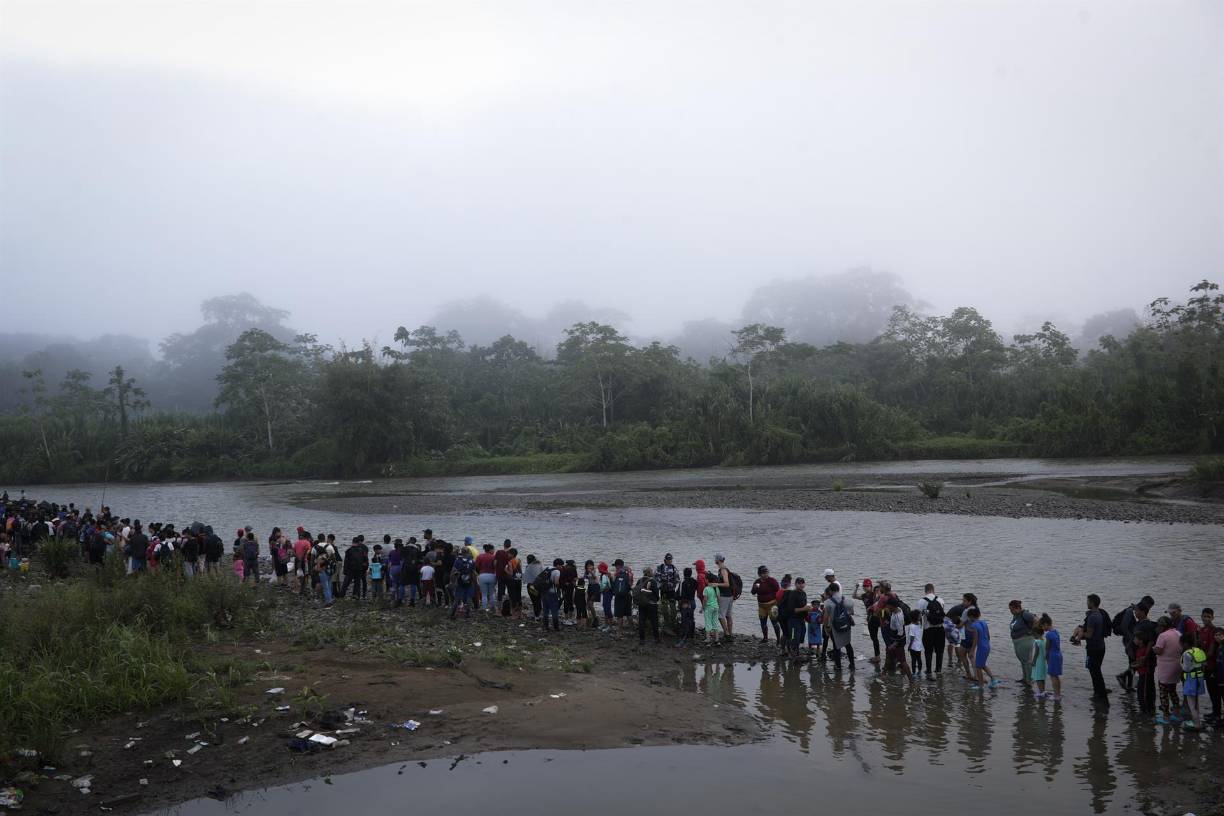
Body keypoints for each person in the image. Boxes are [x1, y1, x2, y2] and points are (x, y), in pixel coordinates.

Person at [1071, 594, 1110, 703]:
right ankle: (1098, 692)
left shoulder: (1093, 617)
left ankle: (1101, 695)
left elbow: (1089, 635)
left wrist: (1080, 635)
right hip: (1100, 646)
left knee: (1095, 671)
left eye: (1088, 601)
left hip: (1094, 648)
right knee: (1095, 670)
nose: (1086, 603)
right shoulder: (1100, 613)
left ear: (1092, 603)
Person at [1153, 616, 1182, 725]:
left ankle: (1166, 716)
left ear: (1162, 626)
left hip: (1165, 668)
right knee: (1173, 691)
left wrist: (1153, 648)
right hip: (1177, 666)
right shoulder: (1178, 633)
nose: (1158, 628)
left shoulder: (1162, 636)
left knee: (1163, 692)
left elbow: (1159, 651)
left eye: (1159, 626)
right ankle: (1177, 713)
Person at [918, 584, 947, 678]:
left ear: (925, 590)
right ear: (933, 590)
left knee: (928, 650)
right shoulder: (941, 600)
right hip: (940, 629)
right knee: (940, 650)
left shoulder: (921, 601)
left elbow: (919, 617)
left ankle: (929, 670)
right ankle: (938, 670)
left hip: (928, 629)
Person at [823, 583, 856, 667]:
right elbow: (851, 612)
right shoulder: (847, 600)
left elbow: (826, 618)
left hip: (834, 628)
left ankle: (838, 667)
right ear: (838, 589)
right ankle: (852, 664)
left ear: (830, 591)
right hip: (845, 626)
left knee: (836, 646)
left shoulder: (827, 602)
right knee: (848, 644)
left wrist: (826, 629)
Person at [966, 606, 998, 690]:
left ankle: (981, 685)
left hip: (981, 648)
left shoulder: (974, 625)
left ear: (972, 616)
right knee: (982, 664)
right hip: (987, 646)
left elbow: (975, 639)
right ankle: (993, 679)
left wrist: (972, 651)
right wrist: (986, 643)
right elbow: (988, 635)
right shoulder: (983, 622)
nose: (968, 619)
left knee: (978, 667)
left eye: (968, 617)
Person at [882, 597, 913, 682]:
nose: (887, 608)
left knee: (903, 661)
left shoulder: (898, 617)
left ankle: (911, 681)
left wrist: (894, 644)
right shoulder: (896, 610)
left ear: (892, 606)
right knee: (889, 655)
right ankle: (883, 673)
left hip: (898, 641)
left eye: (888, 606)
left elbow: (900, 632)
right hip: (893, 639)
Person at [1181, 631, 1207, 730]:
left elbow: (1186, 668)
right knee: (1197, 702)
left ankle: (1196, 724)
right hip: (1199, 679)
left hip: (1191, 679)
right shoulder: (1198, 650)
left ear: (1185, 643)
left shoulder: (1187, 654)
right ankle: (1198, 721)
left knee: (1191, 704)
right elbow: (1204, 664)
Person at [1008, 600, 1037, 683]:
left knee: (1027, 661)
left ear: (1017, 608)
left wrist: (1032, 631)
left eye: (1012, 609)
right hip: (1018, 641)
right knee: (1022, 660)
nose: (1011, 611)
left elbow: (1036, 620)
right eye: (1010, 609)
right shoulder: (1016, 615)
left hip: (1025, 640)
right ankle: (1025, 678)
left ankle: (1029, 680)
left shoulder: (1025, 614)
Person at [752, 566, 782, 644]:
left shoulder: (772, 581)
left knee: (775, 623)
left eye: (766, 572)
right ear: (759, 574)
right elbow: (753, 592)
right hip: (761, 606)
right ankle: (765, 638)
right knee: (763, 623)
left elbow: (778, 592)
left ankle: (778, 639)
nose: (765, 574)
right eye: (763, 573)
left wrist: (779, 604)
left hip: (772, 605)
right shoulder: (757, 582)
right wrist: (755, 587)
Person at [1199, 608, 1220, 723]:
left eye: (1208, 616)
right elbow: (1201, 646)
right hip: (1206, 665)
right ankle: (1215, 713)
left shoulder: (1214, 631)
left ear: (1212, 617)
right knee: (1211, 691)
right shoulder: (1202, 630)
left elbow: (1211, 651)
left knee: (1215, 691)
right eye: (1204, 616)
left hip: (1213, 666)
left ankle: (1217, 715)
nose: (1206, 618)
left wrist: (1201, 659)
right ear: (1201, 616)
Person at [853, 579, 881, 661]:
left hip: (877, 617)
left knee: (875, 637)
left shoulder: (874, 594)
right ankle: (877, 655)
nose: (865, 588)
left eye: (867, 586)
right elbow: (854, 596)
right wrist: (856, 588)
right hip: (869, 618)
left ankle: (878, 656)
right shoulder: (864, 596)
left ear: (871, 586)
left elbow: (879, 596)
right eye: (864, 586)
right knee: (873, 637)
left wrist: (878, 589)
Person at [711, 554, 735, 640]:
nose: (714, 560)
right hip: (730, 596)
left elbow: (726, 583)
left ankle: (727, 633)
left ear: (718, 560)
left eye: (715, 559)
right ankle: (730, 634)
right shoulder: (725, 569)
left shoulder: (722, 570)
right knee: (728, 615)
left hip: (725, 596)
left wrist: (716, 584)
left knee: (721, 616)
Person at [635, 566, 661, 645]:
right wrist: (656, 600)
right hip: (651, 604)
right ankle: (656, 638)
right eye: (652, 571)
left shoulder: (639, 581)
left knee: (641, 621)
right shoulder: (652, 581)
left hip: (641, 603)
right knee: (654, 621)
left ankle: (642, 639)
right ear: (649, 573)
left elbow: (636, 591)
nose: (653, 573)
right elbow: (656, 593)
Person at [450, 547, 476, 620]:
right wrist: (476, 583)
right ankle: (467, 614)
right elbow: (473, 573)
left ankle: (452, 613)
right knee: (469, 598)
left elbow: (453, 571)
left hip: (460, 581)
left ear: (462, 552)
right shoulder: (472, 561)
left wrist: (452, 581)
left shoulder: (458, 561)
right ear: (468, 552)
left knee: (457, 598)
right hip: (469, 581)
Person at [611, 559, 634, 638]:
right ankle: (632, 630)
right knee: (628, 614)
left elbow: (613, 584)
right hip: (628, 595)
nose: (615, 568)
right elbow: (631, 584)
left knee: (619, 615)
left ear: (618, 565)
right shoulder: (629, 572)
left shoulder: (616, 573)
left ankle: (619, 633)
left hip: (619, 597)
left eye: (615, 566)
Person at [657, 554, 679, 634]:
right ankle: (666, 625)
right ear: (665, 560)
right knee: (664, 608)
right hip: (663, 591)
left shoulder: (674, 568)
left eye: (671, 559)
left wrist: (673, 585)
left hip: (671, 591)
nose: (670, 561)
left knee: (673, 609)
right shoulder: (660, 567)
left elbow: (677, 579)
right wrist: (661, 584)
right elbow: (656, 578)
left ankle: (673, 625)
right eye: (668, 559)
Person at [1132, 629, 1153, 714]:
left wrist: (1134, 665)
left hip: (1144, 674)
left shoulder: (1143, 650)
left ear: (1141, 641)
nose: (1133, 640)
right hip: (1140, 673)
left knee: (1142, 693)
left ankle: (1145, 711)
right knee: (1139, 691)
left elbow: (1142, 663)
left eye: (1135, 638)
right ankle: (1143, 709)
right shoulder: (1138, 649)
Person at [475, 543, 498, 612]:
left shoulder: (480, 556)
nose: (494, 550)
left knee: (484, 594)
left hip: (482, 576)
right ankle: (493, 607)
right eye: (493, 549)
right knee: (491, 593)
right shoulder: (494, 557)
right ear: (490, 550)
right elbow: (496, 566)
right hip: (492, 576)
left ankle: (484, 608)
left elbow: (477, 567)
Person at [678, 566, 697, 645]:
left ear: (684, 574)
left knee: (685, 621)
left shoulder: (683, 582)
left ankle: (684, 637)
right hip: (693, 602)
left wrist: (683, 603)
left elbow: (681, 594)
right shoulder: (694, 581)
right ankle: (691, 636)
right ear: (691, 574)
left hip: (686, 603)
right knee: (691, 619)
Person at [703, 577, 723, 647]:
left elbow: (705, 599)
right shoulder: (717, 588)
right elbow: (719, 598)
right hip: (716, 607)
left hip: (709, 607)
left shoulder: (706, 589)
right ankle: (717, 640)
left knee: (708, 623)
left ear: (707, 580)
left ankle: (708, 640)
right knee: (715, 622)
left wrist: (703, 607)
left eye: (706, 579)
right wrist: (719, 606)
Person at [523, 555, 544, 620]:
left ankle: (536, 616)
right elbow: (542, 574)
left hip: (531, 586)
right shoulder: (539, 565)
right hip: (540, 586)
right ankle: (539, 614)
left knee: (534, 601)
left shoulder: (528, 567)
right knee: (539, 600)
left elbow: (525, 578)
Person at [506, 548, 523, 618]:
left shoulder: (510, 562)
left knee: (513, 597)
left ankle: (514, 615)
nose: (507, 555)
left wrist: (505, 570)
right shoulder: (518, 560)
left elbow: (510, 573)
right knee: (519, 596)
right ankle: (520, 614)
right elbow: (520, 570)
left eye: (509, 553)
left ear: (512, 554)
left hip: (512, 581)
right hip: (519, 580)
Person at [906, 609, 924, 675]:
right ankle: (919, 672)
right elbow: (921, 619)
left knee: (913, 660)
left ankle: (913, 673)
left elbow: (912, 638)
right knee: (919, 659)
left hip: (913, 646)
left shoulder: (911, 626)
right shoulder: (921, 625)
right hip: (919, 646)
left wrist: (909, 646)